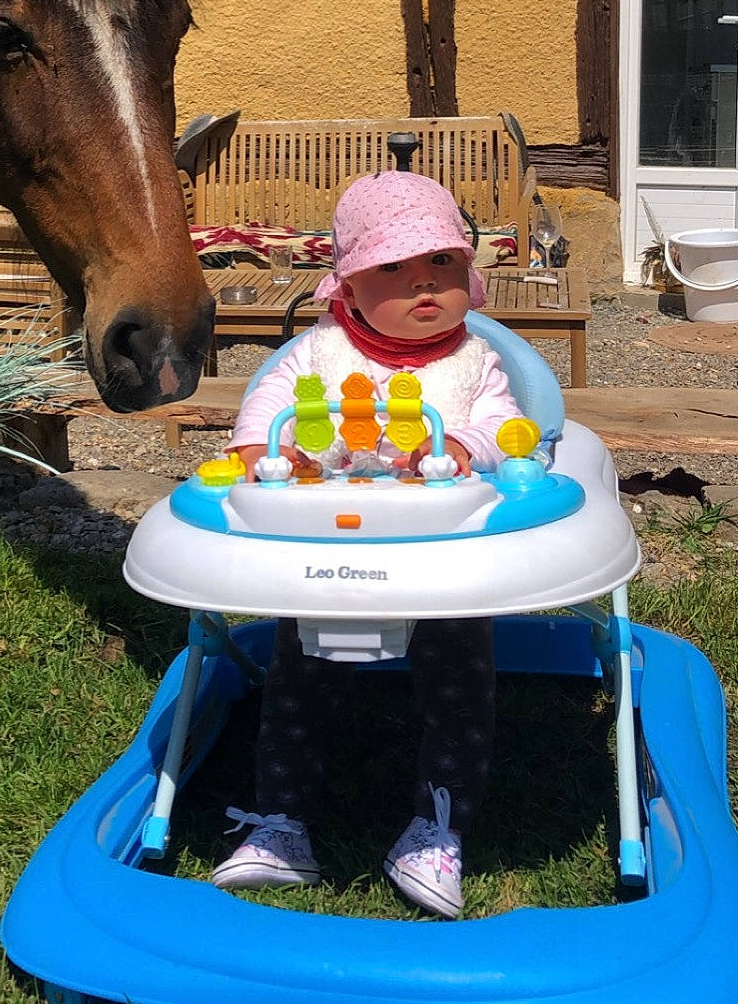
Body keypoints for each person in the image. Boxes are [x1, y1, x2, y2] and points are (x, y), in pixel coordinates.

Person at [212, 170, 520, 918]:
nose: (423, 283)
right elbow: (266, 411)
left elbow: (506, 426)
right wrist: (258, 447)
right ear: (346, 289)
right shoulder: (314, 356)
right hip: (324, 551)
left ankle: (434, 828)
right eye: (393, 268)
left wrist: (469, 448)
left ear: (467, 276)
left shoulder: (475, 363)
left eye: (440, 264)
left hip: (441, 556)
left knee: (457, 681)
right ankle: (282, 821)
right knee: (299, 675)